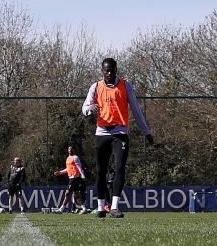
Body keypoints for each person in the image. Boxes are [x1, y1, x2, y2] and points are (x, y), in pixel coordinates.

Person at [81, 57, 153, 218]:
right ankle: (100, 207)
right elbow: (84, 107)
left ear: (116, 70)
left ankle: (114, 207)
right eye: (106, 70)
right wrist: (89, 109)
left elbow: (136, 110)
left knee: (120, 168)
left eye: (112, 70)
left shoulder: (125, 86)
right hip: (102, 133)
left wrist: (146, 131)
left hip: (120, 133)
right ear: (102, 71)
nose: (109, 73)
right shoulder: (96, 86)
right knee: (101, 171)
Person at [53, 145, 88, 213]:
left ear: (74, 150)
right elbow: (68, 169)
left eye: (71, 149)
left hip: (74, 178)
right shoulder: (68, 158)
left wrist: (83, 176)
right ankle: (84, 208)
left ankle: (61, 209)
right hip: (71, 178)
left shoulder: (75, 157)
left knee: (67, 193)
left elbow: (79, 167)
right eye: (69, 149)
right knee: (76, 194)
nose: (69, 150)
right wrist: (60, 172)